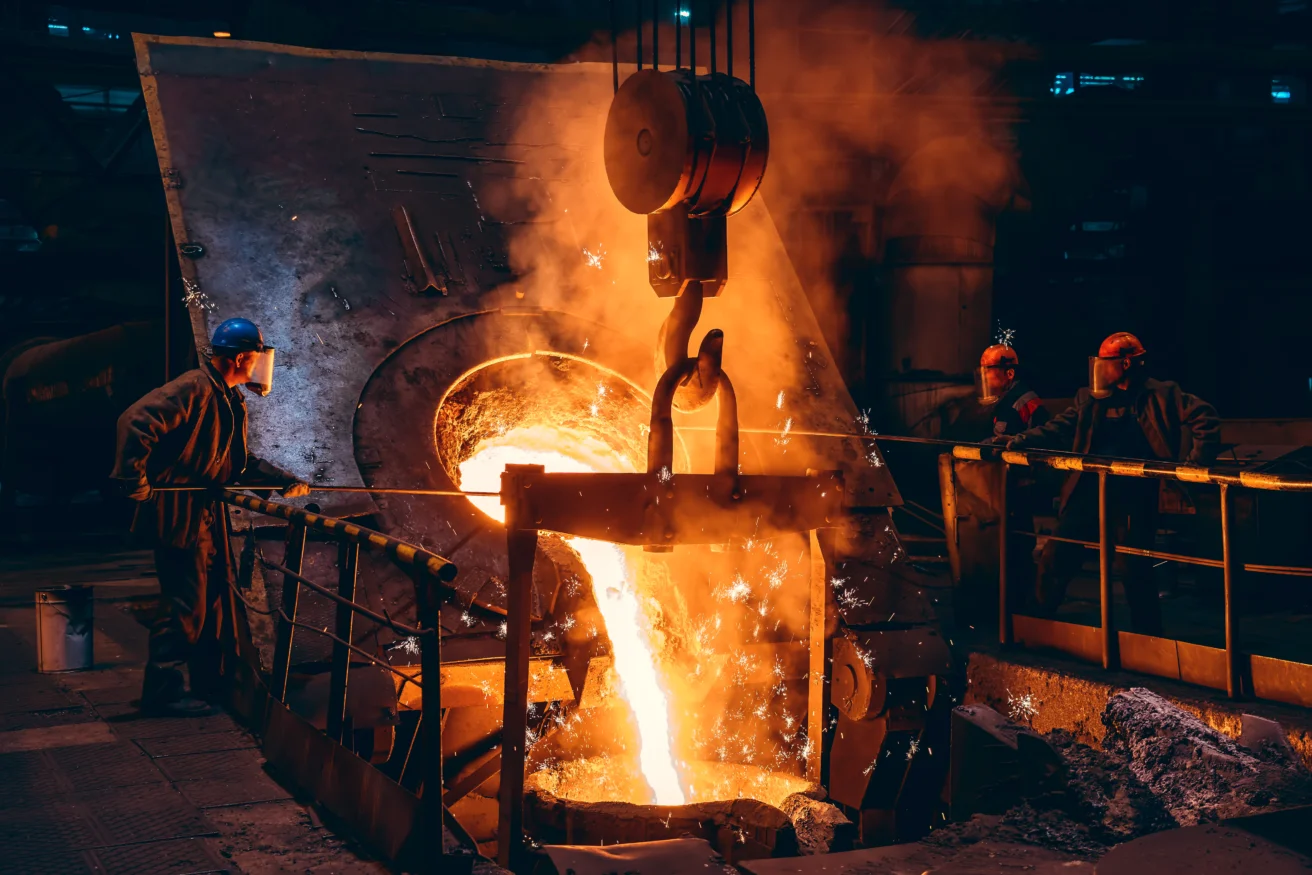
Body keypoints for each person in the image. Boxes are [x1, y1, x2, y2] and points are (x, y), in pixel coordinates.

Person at [111, 318, 309, 716]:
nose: (257, 366)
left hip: (201, 512)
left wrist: (281, 480)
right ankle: (163, 693)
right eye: (254, 357)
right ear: (240, 357)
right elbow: (135, 421)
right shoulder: (195, 388)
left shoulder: (227, 396)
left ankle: (207, 683)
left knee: (209, 603)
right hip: (179, 513)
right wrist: (133, 481)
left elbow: (232, 461)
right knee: (185, 605)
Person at [1005, 332, 1221, 635]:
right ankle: (1034, 627)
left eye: (1106, 362)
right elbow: (1060, 426)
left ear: (1127, 362)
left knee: (1133, 569)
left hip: (1133, 496)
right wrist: (1021, 440)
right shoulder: (1091, 397)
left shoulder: (1163, 394)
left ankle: (1145, 640)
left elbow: (1205, 417)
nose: (1100, 369)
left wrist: (1196, 463)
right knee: (1056, 558)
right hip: (1086, 492)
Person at [976, 344, 1050, 438]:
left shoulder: (1023, 404)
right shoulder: (1002, 400)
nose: (984, 377)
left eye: (987, 370)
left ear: (1010, 374)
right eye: (982, 371)